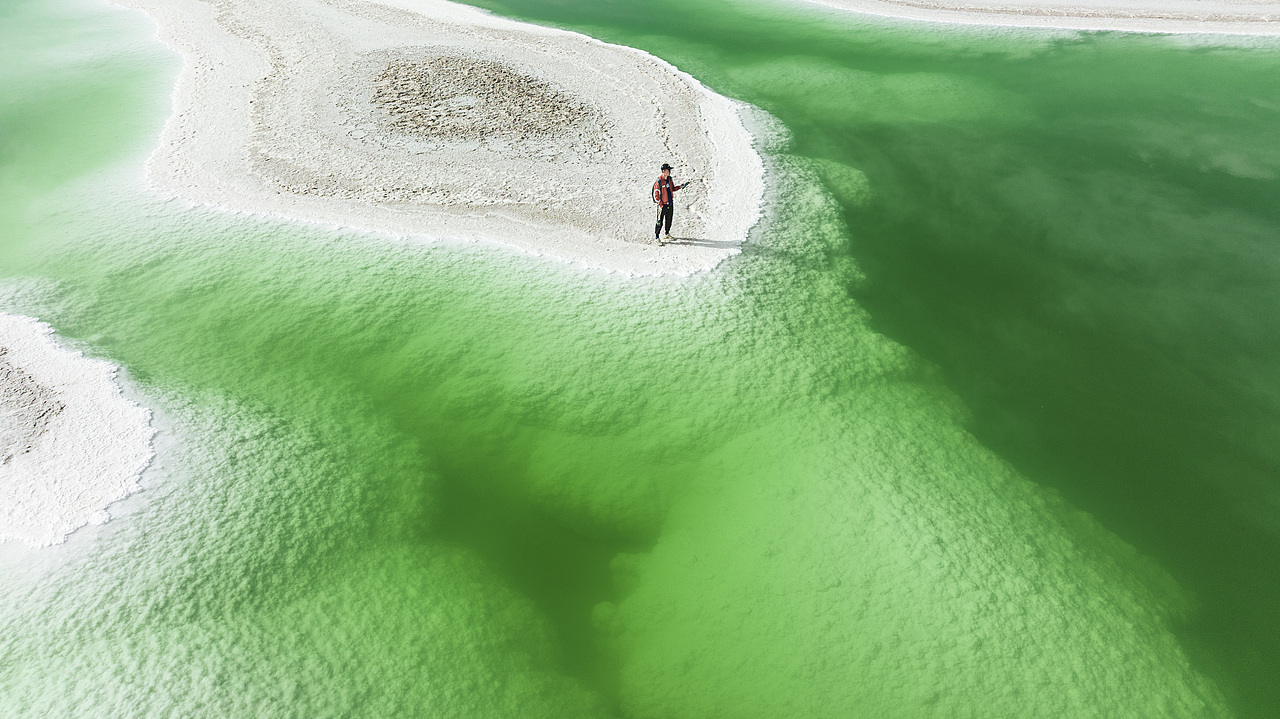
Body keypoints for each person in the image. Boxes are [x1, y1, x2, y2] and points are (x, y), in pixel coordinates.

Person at [652, 163, 690, 244]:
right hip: (662, 206)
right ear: (663, 171)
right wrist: (660, 204)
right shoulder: (659, 181)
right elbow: (656, 195)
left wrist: (680, 187)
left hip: (670, 204)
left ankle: (667, 234)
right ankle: (657, 237)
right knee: (660, 222)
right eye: (668, 170)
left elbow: (672, 188)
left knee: (669, 220)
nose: (669, 172)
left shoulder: (669, 179)